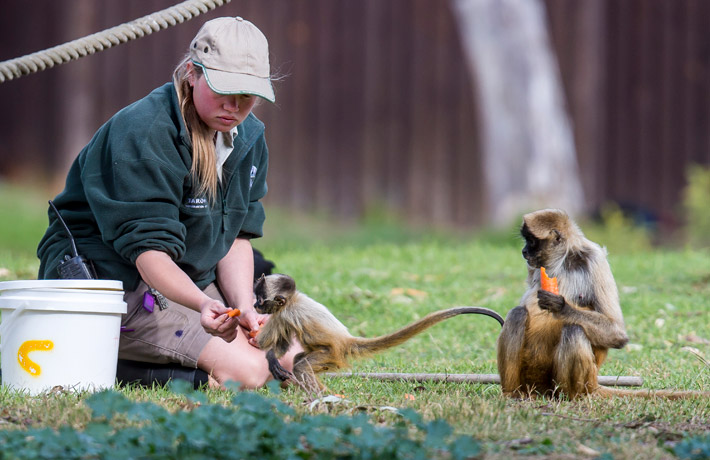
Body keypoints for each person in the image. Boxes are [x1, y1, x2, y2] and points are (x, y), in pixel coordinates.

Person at [37, 16, 300, 389]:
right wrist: (201, 304)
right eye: (224, 87)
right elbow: (149, 252)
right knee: (249, 373)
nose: (235, 105)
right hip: (115, 280)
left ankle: (196, 356)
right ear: (193, 73)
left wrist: (244, 308)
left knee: (291, 356)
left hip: (184, 276)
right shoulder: (145, 131)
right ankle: (116, 365)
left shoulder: (248, 135)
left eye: (248, 93)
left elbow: (237, 236)